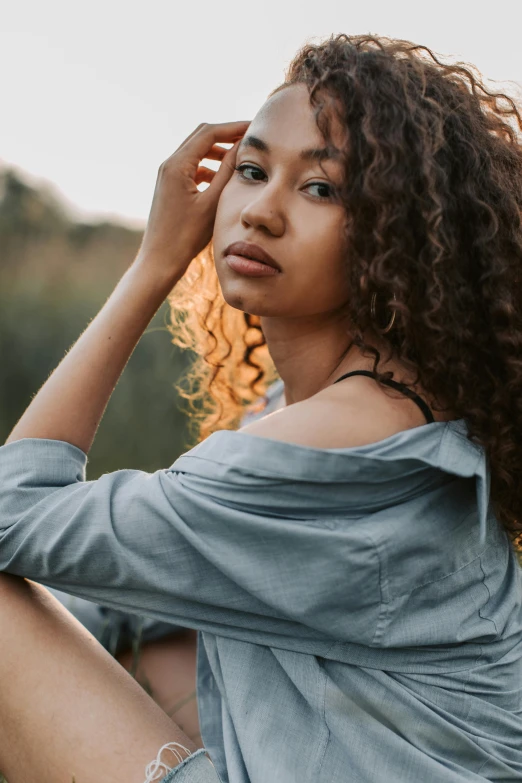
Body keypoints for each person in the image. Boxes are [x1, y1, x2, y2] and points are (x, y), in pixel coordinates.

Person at [0, 32, 521, 783]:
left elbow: (14, 510)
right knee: (157, 631)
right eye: (250, 170)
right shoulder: (379, 402)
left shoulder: (330, 443)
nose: (262, 212)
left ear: (393, 231)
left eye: (321, 187)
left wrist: (153, 264)